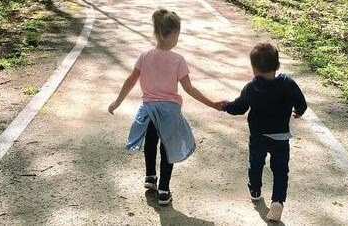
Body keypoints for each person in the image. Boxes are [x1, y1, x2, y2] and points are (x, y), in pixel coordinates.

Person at [108, 8, 222, 206]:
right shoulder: (178, 60)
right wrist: (212, 104)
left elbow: (130, 80)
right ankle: (163, 190)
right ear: (174, 34)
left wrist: (117, 101)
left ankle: (150, 176)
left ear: (156, 32)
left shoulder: (144, 56)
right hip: (170, 113)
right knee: (168, 149)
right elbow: (189, 88)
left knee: (151, 143)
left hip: (149, 110)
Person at [221, 43, 307, 221]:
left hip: (258, 136)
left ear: (254, 69)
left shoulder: (252, 88)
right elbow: (301, 103)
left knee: (256, 162)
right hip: (280, 137)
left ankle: (255, 189)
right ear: (277, 65)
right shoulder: (288, 83)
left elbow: (239, 107)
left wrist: (225, 106)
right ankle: (277, 201)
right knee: (281, 170)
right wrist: (299, 111)